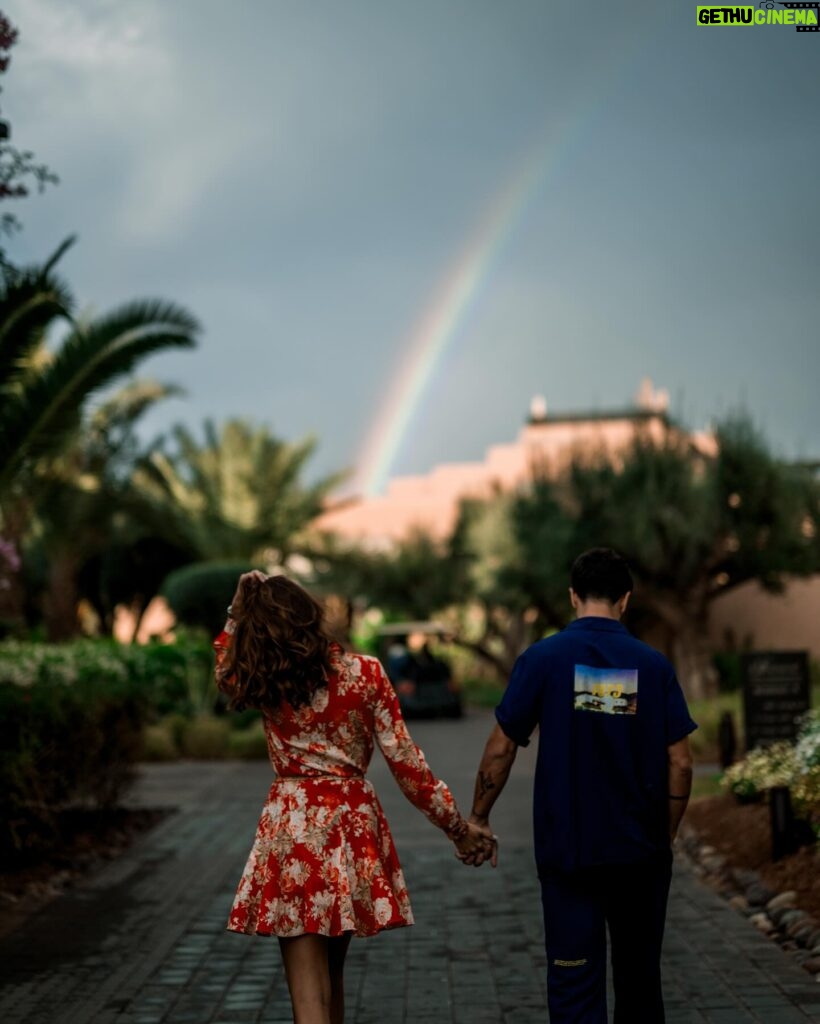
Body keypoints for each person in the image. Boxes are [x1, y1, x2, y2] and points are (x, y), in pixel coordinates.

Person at [213, 571, 494, 1024]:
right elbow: (407, 765)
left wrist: (235, 608)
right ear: (311, 617)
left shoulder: (263, 677)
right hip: (350, 826)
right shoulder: (366, 674)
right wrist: (457, 829)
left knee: (309, 998)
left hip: (294, 828)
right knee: (332, 980)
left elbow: (223, 665)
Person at [462, 548, 697, 1024]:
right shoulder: (652, 666)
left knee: (573, 986)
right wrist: (665, 832)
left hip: (569, 852)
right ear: (625, 600)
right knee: (640, 985)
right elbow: (681, 762)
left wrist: (479, 817)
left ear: (572, 596)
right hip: (640, 854)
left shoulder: (543, 659)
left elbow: (501, 748)